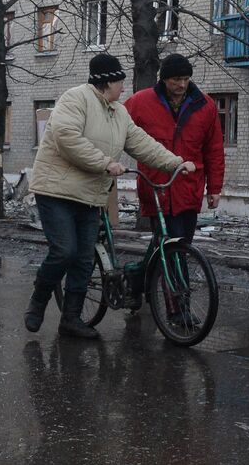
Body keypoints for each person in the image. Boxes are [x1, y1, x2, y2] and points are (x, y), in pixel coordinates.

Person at [25, 53, 194, 339]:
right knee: (64, 251)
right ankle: (38, 300)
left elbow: (141, 143)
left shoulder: (118, 111)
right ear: (108, 82)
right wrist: (105, 162)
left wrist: (175, 162)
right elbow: (67, 137)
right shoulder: (75, 99)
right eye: (120, 82)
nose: (123, 88)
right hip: (56, 191)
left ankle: (72, 319)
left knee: (82, 258)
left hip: (90, 195)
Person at [123, 53, 224, 246]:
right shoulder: (140, 102)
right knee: (170, 246)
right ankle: (174, 278)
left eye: (186, 79)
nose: (182, 85)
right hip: (157, 186)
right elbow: (116, 130)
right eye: (176, 80)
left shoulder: (205, 105)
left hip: (189, 187)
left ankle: (146, 276)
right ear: (164, 79)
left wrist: (215, 188)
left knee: (180, 244)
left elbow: (214, 150)